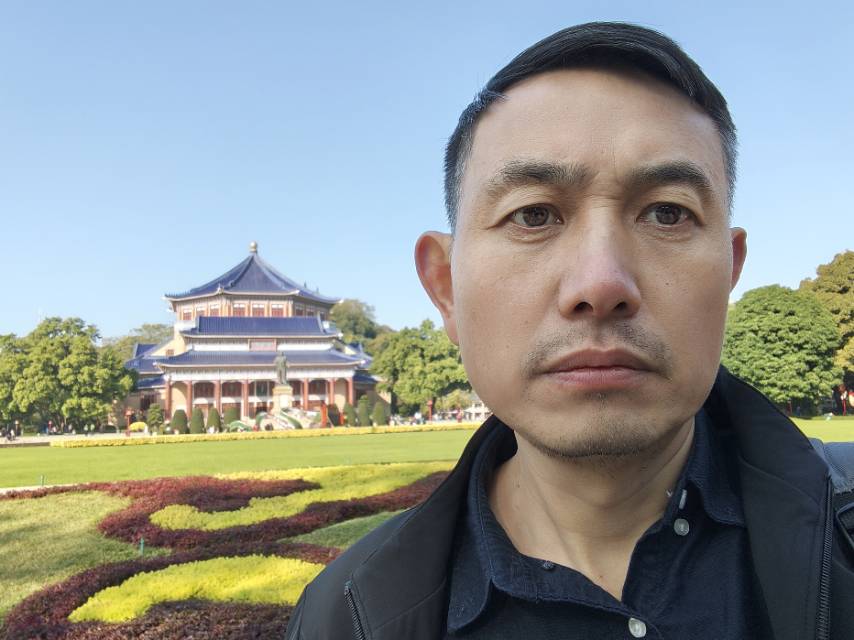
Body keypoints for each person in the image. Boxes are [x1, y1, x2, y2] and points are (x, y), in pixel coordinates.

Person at [286, 23, 854, 639]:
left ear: (730, 271)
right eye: (533, 214)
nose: (601, 283)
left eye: (667, 212)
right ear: (446, 287)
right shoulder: (345, 616)